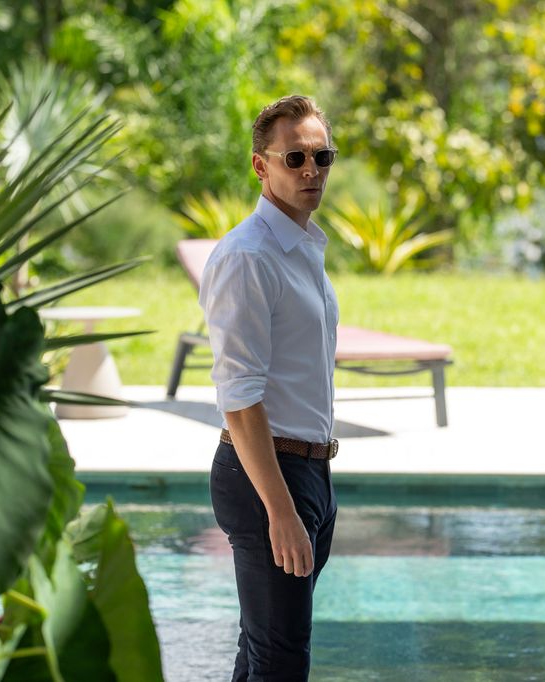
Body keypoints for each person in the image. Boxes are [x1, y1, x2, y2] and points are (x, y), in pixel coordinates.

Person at [198, 94, 340, 681]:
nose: (311, 170)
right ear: (261, 166)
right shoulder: (249, 257)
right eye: (295, 157)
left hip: (309, 473)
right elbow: (239, 396)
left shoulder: (304, 249)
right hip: (267, 479)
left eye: (322, 157)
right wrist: (280, 510)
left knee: (262, 654)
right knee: (281, 662)